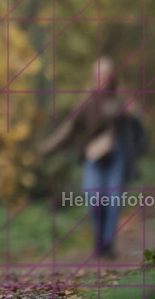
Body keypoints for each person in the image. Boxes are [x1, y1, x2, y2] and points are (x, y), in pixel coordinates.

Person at [40, 57, 149, 259]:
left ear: (112, 77)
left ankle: (107, 244)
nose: (101, 79)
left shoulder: (122, 100)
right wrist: (47, 148)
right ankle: (99, 239)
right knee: (94, 198)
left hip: (117, 156)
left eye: (105, 75)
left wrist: (135, 115)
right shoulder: (86, 102)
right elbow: (69, 130)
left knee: (114, 199)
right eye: (98, 75)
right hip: (93, 156)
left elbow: (138, 130)